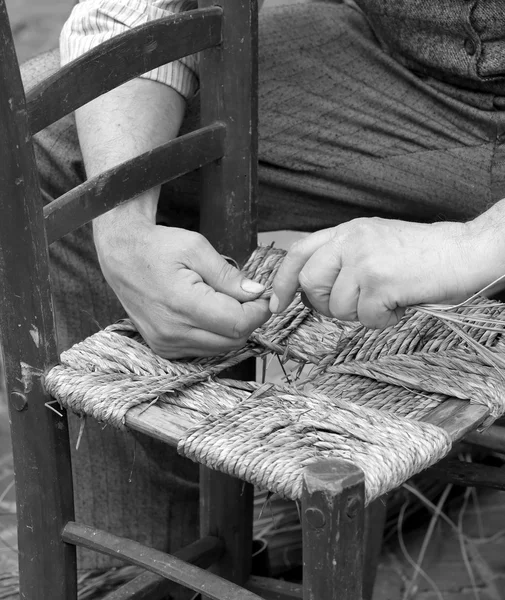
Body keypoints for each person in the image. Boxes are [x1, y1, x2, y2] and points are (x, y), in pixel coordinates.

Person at [23, 0, 505, 581]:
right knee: (52, 131)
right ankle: (157, 575)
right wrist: (122, 226)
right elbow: (137, 9)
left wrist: (469, 248)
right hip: (410, 73)